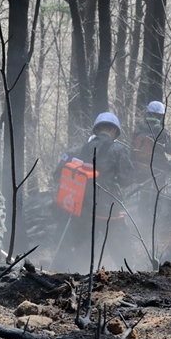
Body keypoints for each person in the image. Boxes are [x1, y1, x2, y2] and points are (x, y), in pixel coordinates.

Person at [52, 112, 135, 273]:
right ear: (114, 131)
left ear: (96, 130)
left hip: (81, 211)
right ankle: (130, 277)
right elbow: (128, 179)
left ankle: (78, 279)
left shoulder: (76, 150)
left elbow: (57, 175)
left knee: (83, 251)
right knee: (122, 251)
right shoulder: (118, 149)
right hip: (109, 211)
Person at [131, 101, 171, 221]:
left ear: (147, 112)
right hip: (158, 168)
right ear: (161, 115)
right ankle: (156, 219)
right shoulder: (162, 131)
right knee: (158, 193)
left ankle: (142, 218)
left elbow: (132, 148)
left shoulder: (138, 129)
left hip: (141, 166)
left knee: (144, 193)